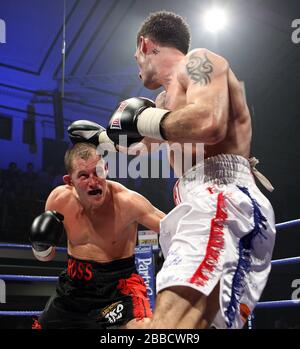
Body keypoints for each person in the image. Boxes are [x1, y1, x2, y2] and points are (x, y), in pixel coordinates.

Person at [67, 11, 276, 329]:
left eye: (136, 58)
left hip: (218, 197)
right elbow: (141, 147)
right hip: (206, 203)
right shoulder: (163, 100)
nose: (137, 70)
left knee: (169, 328)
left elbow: (208, 123)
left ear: (144, 44)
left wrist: (140, 120)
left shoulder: (199, 61)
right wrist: (100, 137)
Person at [30, 142, 165, 329]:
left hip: (119, 287)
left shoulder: (128, 203)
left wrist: (172, 255)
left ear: (106, 169)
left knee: (141, 329)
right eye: (84, 176)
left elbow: (172, 227)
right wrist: (40, 247)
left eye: (98, 172)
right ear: (69, 181)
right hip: (74, 287)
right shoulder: (59, 201)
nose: (93, 182)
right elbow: (45, 257)